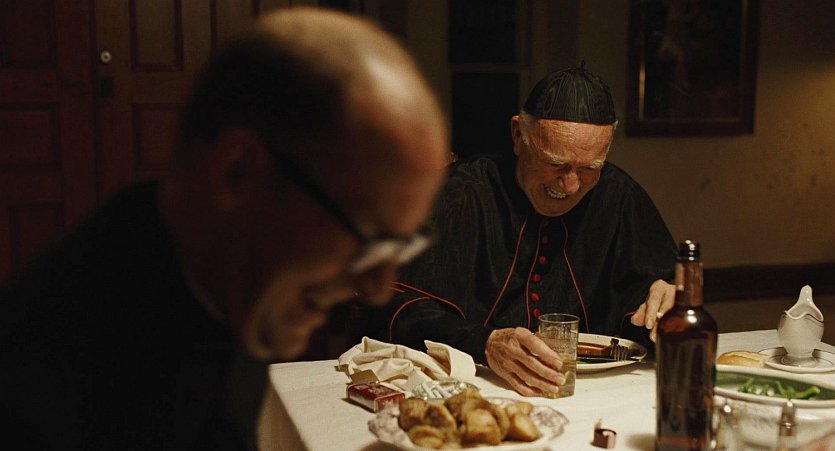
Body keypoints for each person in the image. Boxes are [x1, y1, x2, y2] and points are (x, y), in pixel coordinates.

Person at [0, 7, 448, 450]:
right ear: (238, 173)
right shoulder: (38, 381)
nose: (377, 289)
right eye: (368, 237)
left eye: (400, 246)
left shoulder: (230, 287)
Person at [380, 64, 678, 397]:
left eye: (589, 168)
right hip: (470, 389)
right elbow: (391, 307)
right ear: (518, 135)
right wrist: (484, 343)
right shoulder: (459, 194)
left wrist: (665, 304)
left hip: (596, 393)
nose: (570, 185)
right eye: (555, 163)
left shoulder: (620, 196)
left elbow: (651, 299)